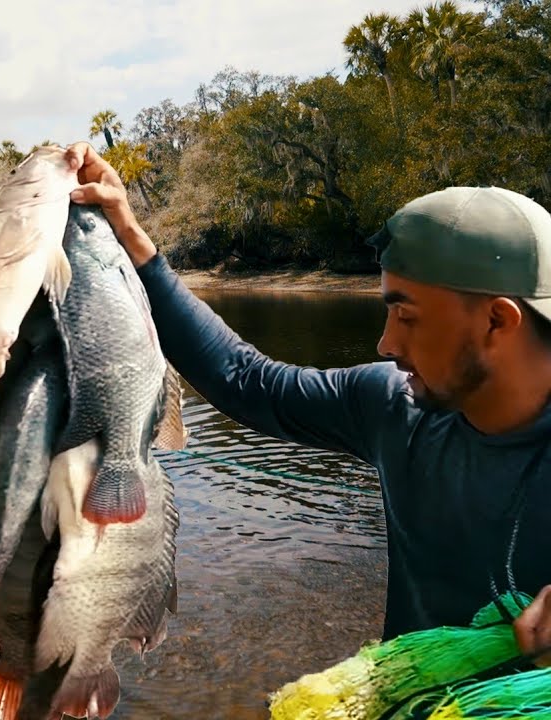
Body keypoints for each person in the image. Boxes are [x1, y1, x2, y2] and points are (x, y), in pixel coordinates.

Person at [62, 141, 551, 664]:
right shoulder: (393, 405)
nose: (386, 344)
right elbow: (247, 379)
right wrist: (130, 234)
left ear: (498, 321)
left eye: (406, 317)